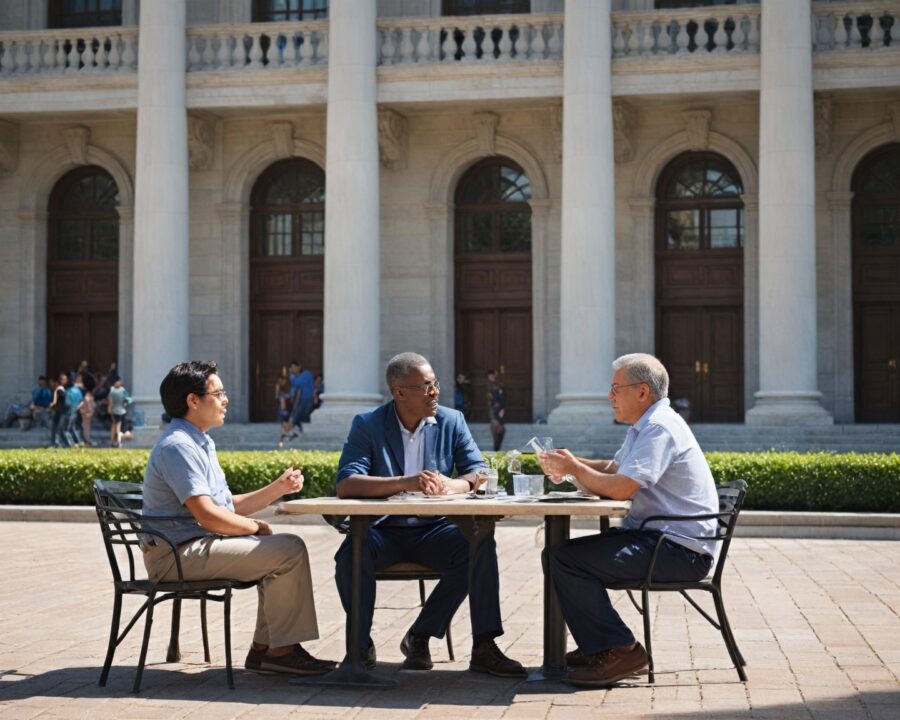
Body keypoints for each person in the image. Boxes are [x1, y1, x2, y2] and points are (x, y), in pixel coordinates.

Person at [334, 352, 526, 677]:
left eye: (435, 384)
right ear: (399, 392)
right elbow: (347, 483)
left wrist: (453, 486)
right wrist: (404, 483)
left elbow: (477, 471)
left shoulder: (452, 421)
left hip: (434, 530)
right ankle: (359, 648)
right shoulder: (367, 425)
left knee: (478, 543)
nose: (435, 392)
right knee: (350, 554)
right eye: (425, 386)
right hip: (383, 531)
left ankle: (448, 641)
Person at [141, 360, 335, 676]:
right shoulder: (178, 446)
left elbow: (225, 506)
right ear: (193, 401)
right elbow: (208, 515)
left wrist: (278, 488)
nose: (226, 400)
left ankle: (265, 650)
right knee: (288, 550)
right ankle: (279, 651)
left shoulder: (200, 441)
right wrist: (255, 527)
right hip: (175, 556)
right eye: (218, 394)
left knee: (281, 550)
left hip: (191, 546)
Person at [537, 353, 719, 688]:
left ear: (642, 392)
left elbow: (620, 488)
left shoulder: (659, 428)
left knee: (564, 559)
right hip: (660, 540)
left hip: (678, 551)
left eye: (616, 389)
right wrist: (571, 462)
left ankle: (621, 650)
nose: (609, 397)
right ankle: (600, 647)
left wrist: (576, 470)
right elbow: (615, 469)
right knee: (561, 554)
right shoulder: (646, 425)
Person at [486, 369, 505, 452]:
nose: (494, 376)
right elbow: (489, 397)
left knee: (501, 429)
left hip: (498, 408)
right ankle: (496, 447)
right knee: (496, 426)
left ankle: (497, 447)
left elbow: (502, 396)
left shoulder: (498, 384)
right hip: (493, 408)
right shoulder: (488, 384)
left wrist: (502, 408)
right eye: (492, 375)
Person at [275, 375, 298, 445]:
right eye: (279, 381)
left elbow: (289, 399)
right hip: (283, 409)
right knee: (284, 423)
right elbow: (277, 397)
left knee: (285, 422)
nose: (280, 382)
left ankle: (287, 436)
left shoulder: (289, 389)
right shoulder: (280, 390)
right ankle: (289, 435)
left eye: (281, 381)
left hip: (287, 408)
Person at [107, 378, 130, 447]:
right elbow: (128, 399)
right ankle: (119, 442)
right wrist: (124, 405)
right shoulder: (123, 390)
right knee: (118, 426)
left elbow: (110, 402)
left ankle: (112, 441)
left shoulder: (112, 391)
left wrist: (109, 409)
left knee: (114, 426)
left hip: (114, 411)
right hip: (122, 411)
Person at [48, 374, 68, 447]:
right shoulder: (59, 389)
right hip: (59, 411)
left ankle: (56, 442)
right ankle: (57, 442)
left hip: (60, 410)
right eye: (64, 379)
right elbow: (55, 401)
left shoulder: (59, 389)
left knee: (57, 427)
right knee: (59, 427)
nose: (66, 381)